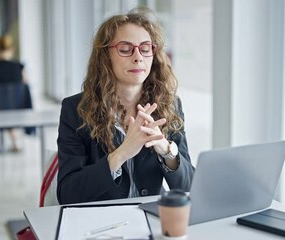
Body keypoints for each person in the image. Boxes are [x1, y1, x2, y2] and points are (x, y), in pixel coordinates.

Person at [57, 7, 195, 204]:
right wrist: (121, 153)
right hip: (100, 225)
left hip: (151, 221)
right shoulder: (75, 109)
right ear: (106, 56)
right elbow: (67, 194)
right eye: (125, 49)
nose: (138, 57)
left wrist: (167, 151)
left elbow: (188, 187)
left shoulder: (169, 105)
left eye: (145, 48)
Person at [0, 35, 29, 152]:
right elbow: (25, 85)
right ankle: (15, 139)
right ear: (12, 49)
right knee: (9, 104)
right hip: (17, 110)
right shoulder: (19, 67)